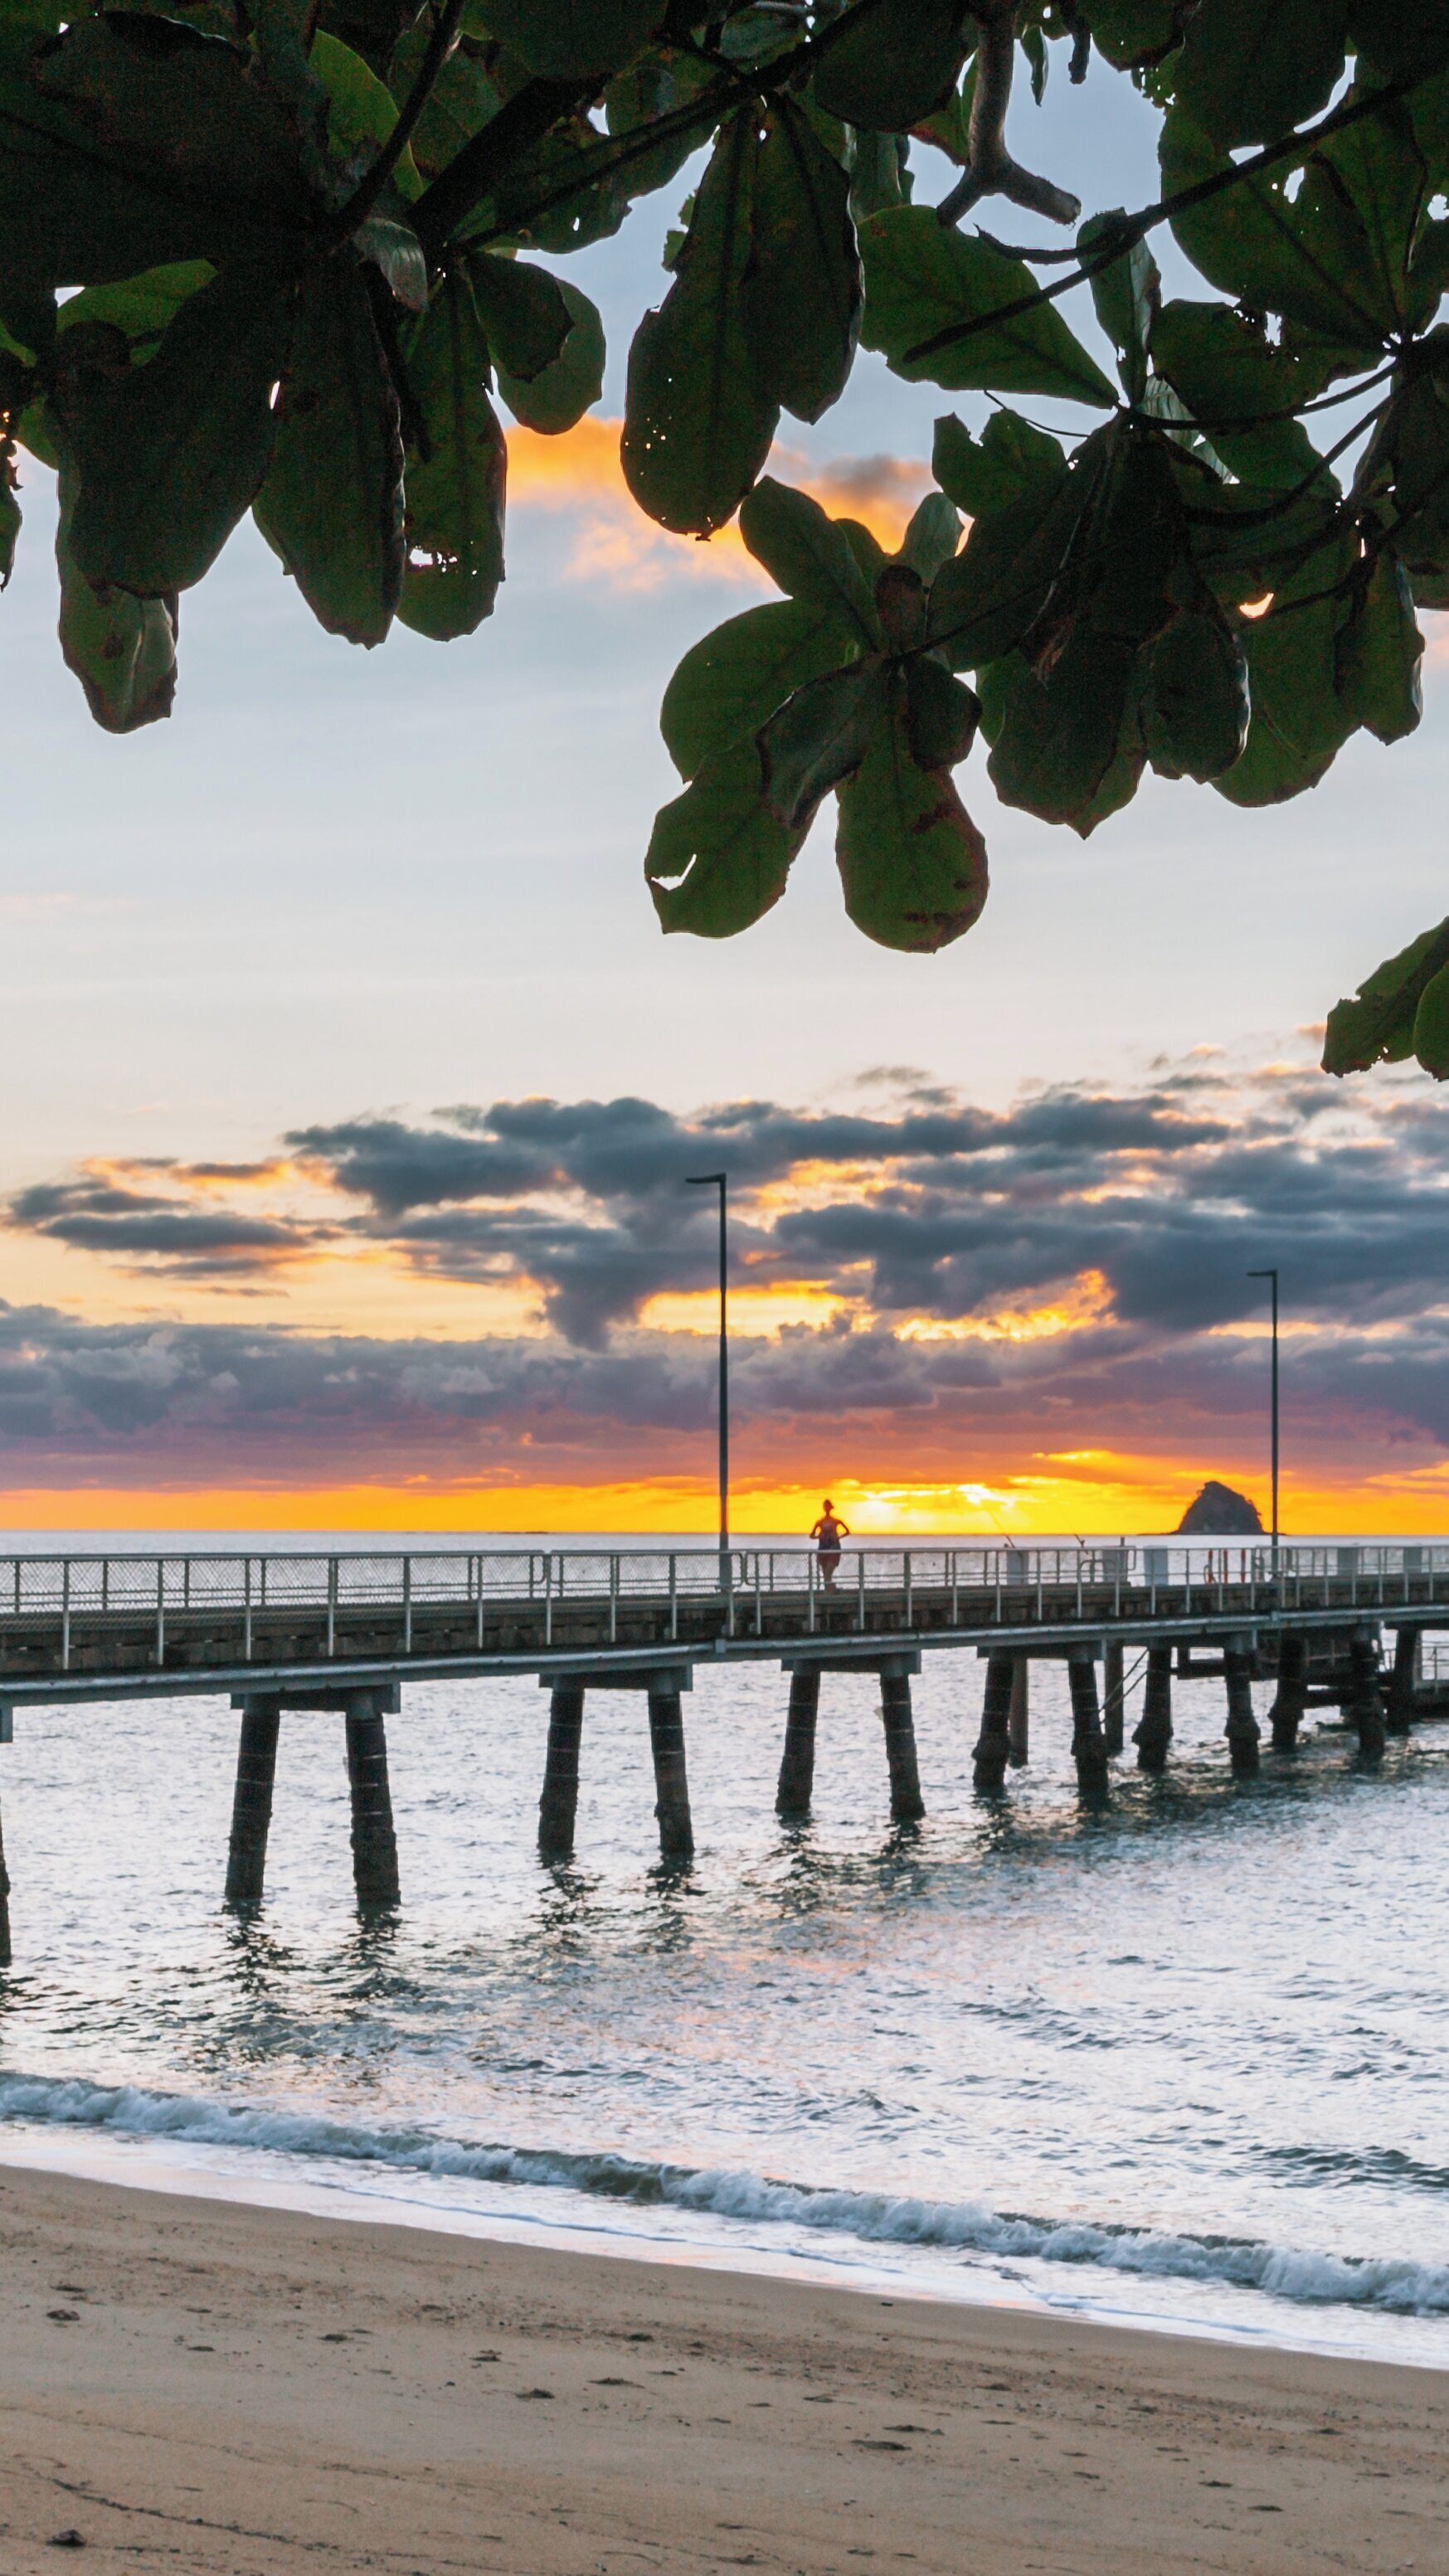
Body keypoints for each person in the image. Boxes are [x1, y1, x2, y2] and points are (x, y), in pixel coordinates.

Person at [810, 1499, 849, 1590]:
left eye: (828, 1506)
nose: (827, 1508)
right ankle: (829, 1593)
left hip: (834, 1547)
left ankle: (834, 1590)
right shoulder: (819, 1522)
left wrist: (838, 1537)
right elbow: (811, 1535)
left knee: (828, 1573)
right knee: (825, 1575)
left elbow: (848, 1531)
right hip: (823, 1548)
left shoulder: (836, 1521)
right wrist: (818, 1536)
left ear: (831, 1508)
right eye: (825, 1506)